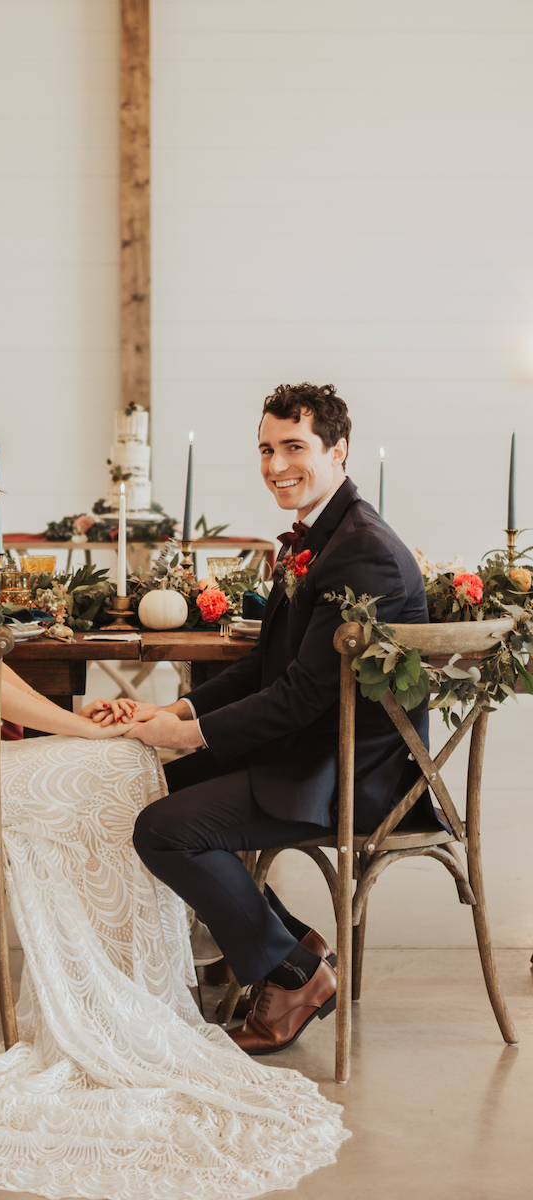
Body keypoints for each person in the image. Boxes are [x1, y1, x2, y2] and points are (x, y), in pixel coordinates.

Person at [0, 407, 348, 1198]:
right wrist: (80, 727)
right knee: (117, 767)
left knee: (120, 765)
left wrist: (87, 734)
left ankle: (182, 969)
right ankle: (138, 989)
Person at [129, 382, 432, 1057]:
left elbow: (298, 698)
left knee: (163, 831)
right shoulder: (318, 538)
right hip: (311, 748)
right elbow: (266, 668)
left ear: (338, 450)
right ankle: (293, 950)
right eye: (266, 448)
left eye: (294, 447)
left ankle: (290, 971)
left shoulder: (363, 552)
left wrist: (189, 736)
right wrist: (174, 711)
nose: (275, 465)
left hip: (352, 772)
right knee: (144, 782)